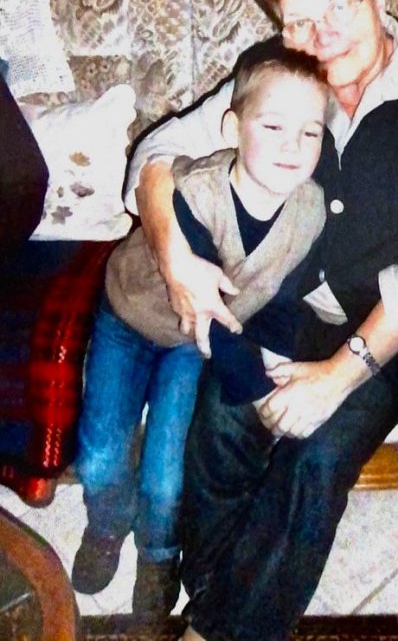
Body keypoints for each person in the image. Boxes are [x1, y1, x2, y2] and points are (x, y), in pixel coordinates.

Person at [125, 0, 398, 641]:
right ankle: (215, 594)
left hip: (391, 333)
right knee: (224, 418)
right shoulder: (283, 76)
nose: (320, 36)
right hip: (283, 305)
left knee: (315, 455)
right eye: (298, 21)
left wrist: (336, 376)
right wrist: (174, 256)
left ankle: (221, 630)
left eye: (337, 8)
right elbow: (158, 151)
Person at [72, 44, 328, 617]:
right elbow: (212, 316)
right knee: (100, 456)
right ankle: (106, 524)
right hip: (132, 318)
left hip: (192, 346)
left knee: (167, 473)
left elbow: (280, 300)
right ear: (232, 129)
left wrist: (277, 363)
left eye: (310, 133)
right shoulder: (197, 193)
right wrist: (259, 395)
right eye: (273, 126)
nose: (293, 146)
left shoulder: (310, 212)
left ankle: (159, 553)